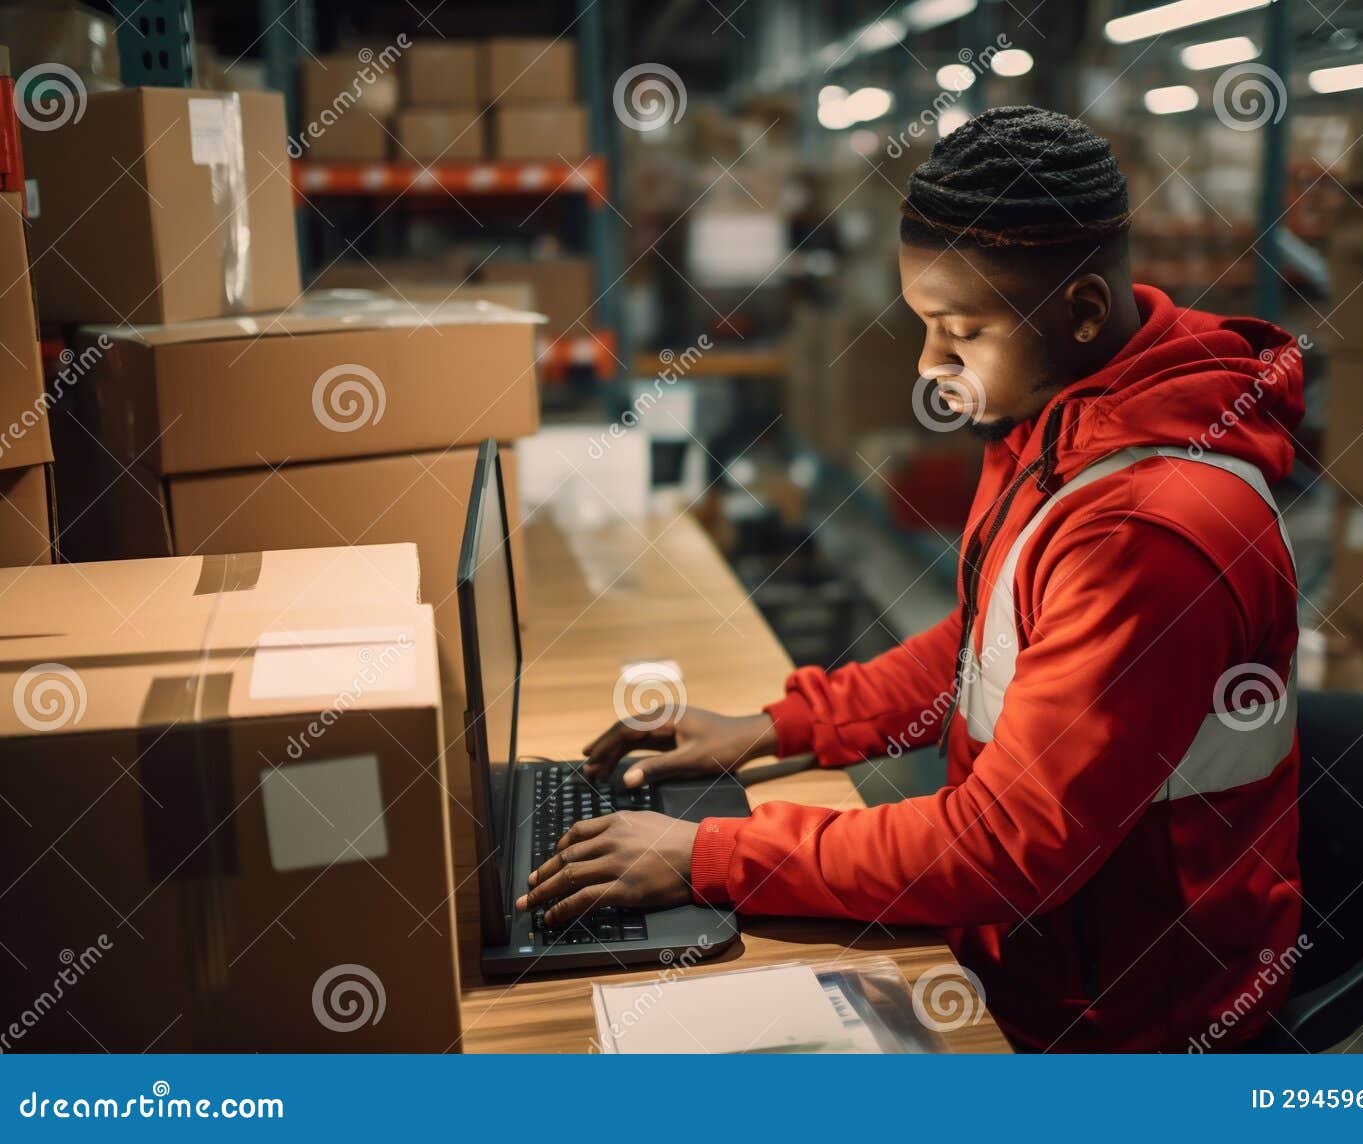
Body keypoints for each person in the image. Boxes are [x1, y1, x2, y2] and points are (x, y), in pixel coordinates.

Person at [519, 106, 1305, 1053]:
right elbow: (987, 640)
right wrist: (780, 727)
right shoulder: (1064, 423)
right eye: (925, 325)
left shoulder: (1152, 530)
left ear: (1084, 312)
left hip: (1122, 1018)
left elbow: (1009, 846)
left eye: (959, 330)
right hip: (1039, 948)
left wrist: (712, 854)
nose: (932, 364)